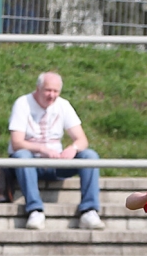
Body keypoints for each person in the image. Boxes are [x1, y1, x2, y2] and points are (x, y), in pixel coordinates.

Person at [9, 72, 105, 231]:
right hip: (31, 162)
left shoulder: (63, 105)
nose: (52, 95)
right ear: (38, 89)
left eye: (56, 91)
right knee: (22, 156)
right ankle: (35, 210)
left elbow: (82, 140)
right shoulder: (22, 103)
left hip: (57, 162)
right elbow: (16, 142)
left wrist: (73, 148)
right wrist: (42, 149)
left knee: (90, 155)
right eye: (48, 90)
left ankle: (89, 211)